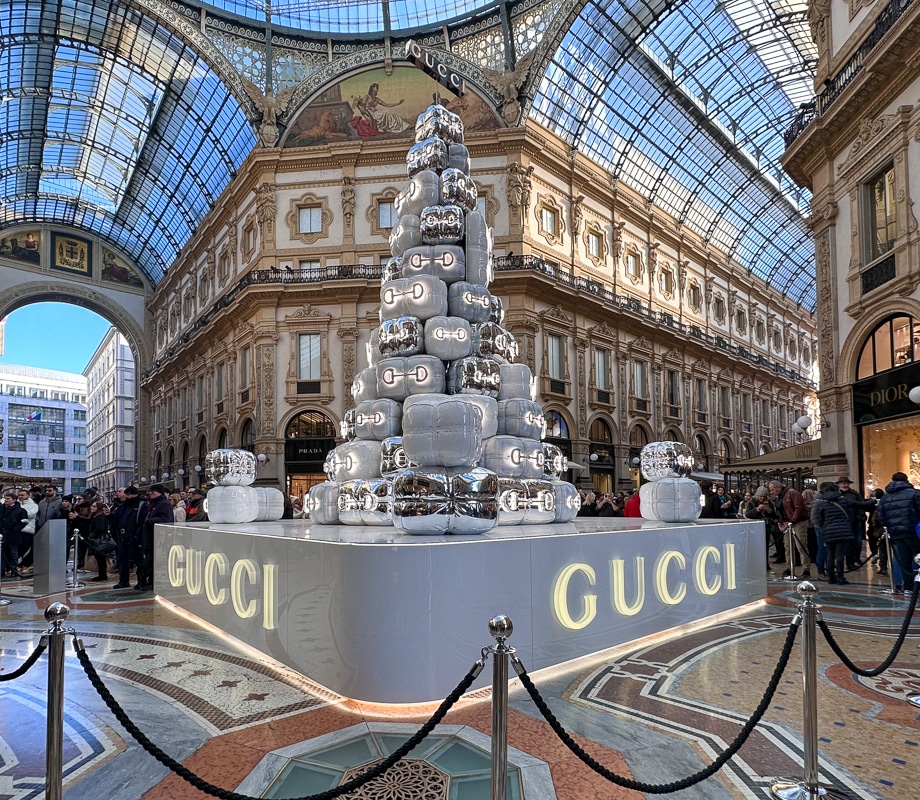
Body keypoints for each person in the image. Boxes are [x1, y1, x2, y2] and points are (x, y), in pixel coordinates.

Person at [875, 471, 920, 596]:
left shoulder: (885, 497)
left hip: (896, 533)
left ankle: (908, 588)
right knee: (918, 558)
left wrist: (889, 525)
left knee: (904, 560)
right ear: (906, 480)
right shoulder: (914, 494)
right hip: (913, 531)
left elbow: (880, 516)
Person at [812, 482, 856, 585]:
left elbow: (819, 519)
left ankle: (831, 577)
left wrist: (823, 528)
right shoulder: (843, 501)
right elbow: (854, 506)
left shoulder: (822, 504)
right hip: (843, 530)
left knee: (830, 554)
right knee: (840, 555)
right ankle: (840, 577)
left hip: (829, 531)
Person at [135, 484, 173, 592]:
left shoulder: (163, 504)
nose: (150, 494)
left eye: (153, 492)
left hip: (157, 538)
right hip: (150, 536)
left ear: (159, 492)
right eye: (150, 492)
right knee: (149, 561)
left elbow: (166, 519)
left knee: (150, 561)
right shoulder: (155, 504)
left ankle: (149, 582)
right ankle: (149, 582)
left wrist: (150, 521)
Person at [769, 480, 811, 577]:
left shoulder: (792, 493)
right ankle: (789, 567)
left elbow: (799, 507)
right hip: (787, 523)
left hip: (798, 522)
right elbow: (780, 510)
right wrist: (781, 522)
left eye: (772, 489)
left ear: (777, 487)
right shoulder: (779, 496)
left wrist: (792, 521)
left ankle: (806, 569)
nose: (771, 491)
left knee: (801, 546)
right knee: (788, 547)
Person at [113, 486, 147, 589]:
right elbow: (117, 518)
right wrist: (109, 516)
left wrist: (137, 535)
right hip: (123, 535)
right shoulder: (123, 505)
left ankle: (141, 581)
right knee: (122, 559)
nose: (126, 496)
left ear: (134, 494)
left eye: (128, 494)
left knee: (138, 560)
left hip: (135, 536)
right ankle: (123, 581)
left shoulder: (142, 505)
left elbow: (142, 521)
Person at [835, 477, 871, 570]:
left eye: (846, 483)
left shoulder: (854, 494)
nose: (845, 485)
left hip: (854, 522)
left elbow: (861, 506)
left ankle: (852, 561)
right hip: (840, 523)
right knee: (843, 545)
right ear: (839, 484)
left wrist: (859, 518)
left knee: (855, 543)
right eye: (843, 483)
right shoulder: (835, 495)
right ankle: (840, 563)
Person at [745, 486, 784, 568]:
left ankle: (765, 565)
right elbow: (747, 514)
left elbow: (776, 515)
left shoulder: (770, 502)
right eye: (760, 496)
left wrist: (769, 510)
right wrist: (757, 509)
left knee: (766, 547)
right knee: (756, 547)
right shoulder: (752, 502)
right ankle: (757, 564)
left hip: (767, 527)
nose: (762, 498)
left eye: (764, 496)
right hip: (755, 528)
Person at [0, 493, 28, 579]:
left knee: (13, 553)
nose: (6, 500)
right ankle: (2, 570)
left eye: (8, 498)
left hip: (14, 535)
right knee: (3, 554)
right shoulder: (2, 510)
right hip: (4, 534)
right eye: (5, 498)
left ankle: (13, 569)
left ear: (13, 500)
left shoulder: (20, 510)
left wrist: (16, 529)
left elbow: (24, 521)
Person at [86, 501, 114, 582]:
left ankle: (102, 575)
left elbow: (100, 528)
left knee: (101, 558)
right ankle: (102, 574)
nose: (92, 508)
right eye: (92, 506)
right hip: (99, 539)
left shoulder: (99, 516)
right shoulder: (95, 516)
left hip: (100, 540)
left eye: (94, 506)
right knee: (99, 558)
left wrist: (92, 535)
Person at [17, 487, 38, 572]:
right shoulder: (17, 504)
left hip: (27, 530)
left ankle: (25, 565)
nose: (20, 497)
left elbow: (30, 514)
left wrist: (20, 514)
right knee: (18, 549)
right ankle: (18, 564)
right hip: (17, 530)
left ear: (28, 495)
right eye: (19, 495)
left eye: (22, 495)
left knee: (26, 548)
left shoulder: (33, 505)